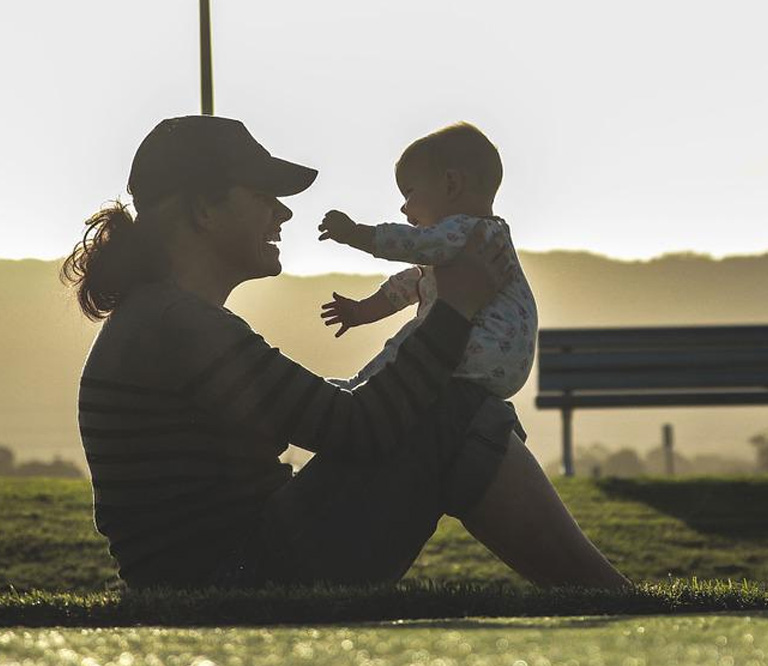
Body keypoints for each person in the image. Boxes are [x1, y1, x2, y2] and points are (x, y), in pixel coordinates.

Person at [62, 115, 629, 590]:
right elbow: (359, 428)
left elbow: (327, 414)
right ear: (203, 211)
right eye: (262, 196)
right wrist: (456, 307)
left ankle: (607, 596)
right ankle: (612, 599)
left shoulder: (161, 319)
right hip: (236, 579)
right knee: (455, 409)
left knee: (453, 406)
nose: (283, 213)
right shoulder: (175, 325)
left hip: (230, 569)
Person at [317, 122, 536, 400]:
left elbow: (411, 243)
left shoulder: (470, 230)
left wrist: (354, 233)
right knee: (421, 337)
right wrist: (361, 312)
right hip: (504, 365)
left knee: (413, 340)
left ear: (451, 185)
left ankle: (361, 388)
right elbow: (412, 283)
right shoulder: (480, 241)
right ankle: (361, 386)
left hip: (481, 346)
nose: (403, 207)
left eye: (409, 193)